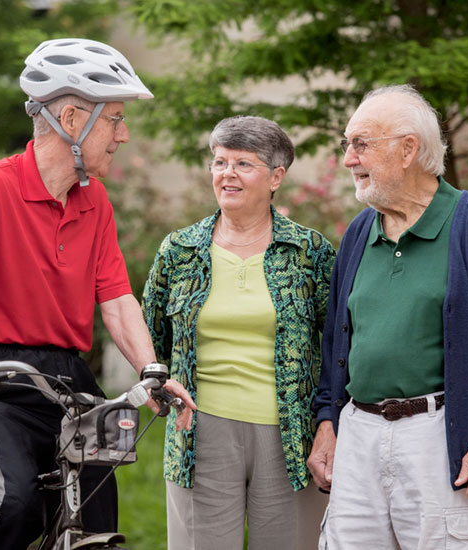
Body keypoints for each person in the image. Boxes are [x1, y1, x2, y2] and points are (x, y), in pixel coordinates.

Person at [0, 38, 194, 550]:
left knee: (96, 522)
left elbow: (118, 301)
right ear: (73, 118)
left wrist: (152, 372)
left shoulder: (94, 201)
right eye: (115, 119)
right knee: (13, 500)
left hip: (68, 381)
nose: (123, 135)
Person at [308, 84, 468, 549]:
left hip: (439, 436)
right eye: (347, 144)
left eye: (361, 143)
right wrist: (327, 421)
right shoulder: (358, 233)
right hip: (359, 436)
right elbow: (336, 342)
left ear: (409, 148)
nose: (349, 158)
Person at [141, 115, 337, 550]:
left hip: (290, 437)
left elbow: (342, 343)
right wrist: (159, 388)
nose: (227, 174)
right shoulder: (180, 250)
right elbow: (148, 332)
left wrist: (329, 422)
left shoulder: (308, 251)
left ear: (276, 177)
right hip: (200, 434)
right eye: (219, 162)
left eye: (243, 164)